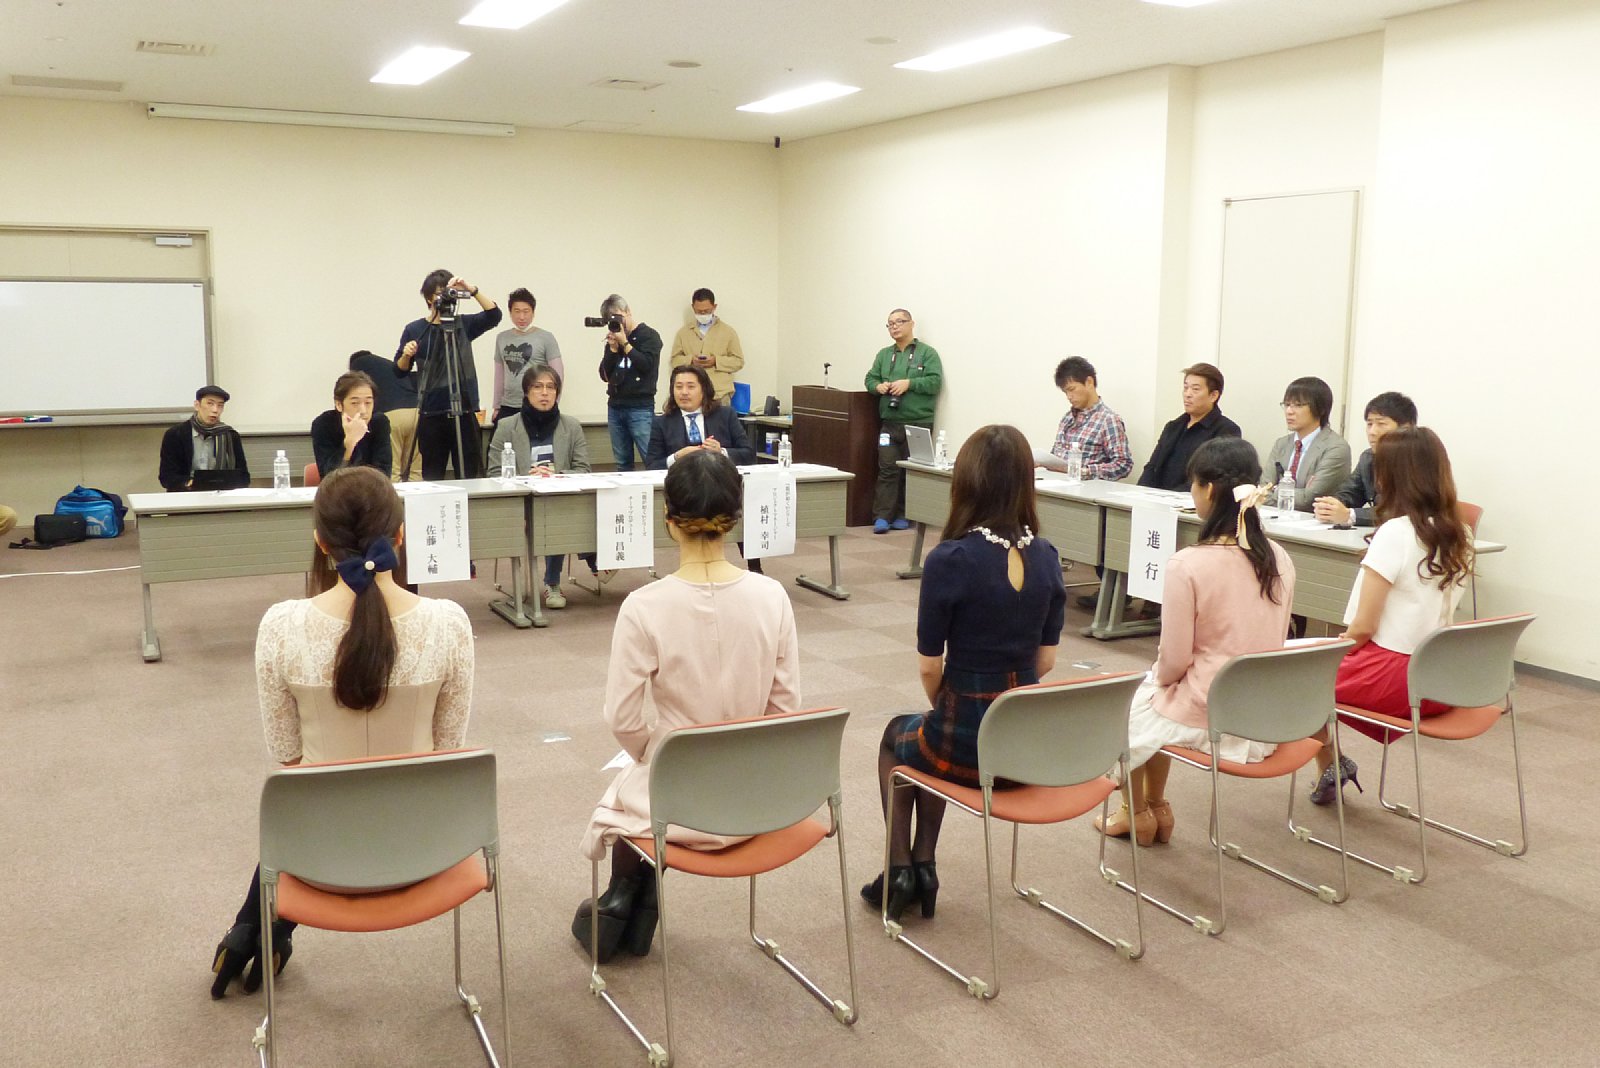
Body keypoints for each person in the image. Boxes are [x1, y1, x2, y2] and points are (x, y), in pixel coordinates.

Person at [208, 466, 475, 998]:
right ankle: (254, 930)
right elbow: (447, 752)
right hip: (428, 851)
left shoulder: (280, 628)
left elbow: (288, 757)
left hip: (317, 860)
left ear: (320, 541)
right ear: (400, 536)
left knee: (304, 803)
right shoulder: (449, 624)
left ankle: (251, 928)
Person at [573, 450, 800, 962]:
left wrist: (652, 752)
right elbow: (785, 710)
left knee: (632, 784)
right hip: (756, 802)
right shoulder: (772, 596)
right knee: (646, 779)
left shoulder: (644, 606)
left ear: (667, 518)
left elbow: (622, 718)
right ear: (735, 516)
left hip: (678, 804)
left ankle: (622, 897)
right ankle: (633, 897)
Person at [865, 425, 1066, 922]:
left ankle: (901, 869)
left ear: (966, 483)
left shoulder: (950, 559)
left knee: (897, 739)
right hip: (1023, 748)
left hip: (967, 744)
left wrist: (948, 708)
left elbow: (929, 667)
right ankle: (924, 864)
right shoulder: (1047, 556)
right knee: (928, 740)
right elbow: (1045, 663)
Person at [1098, 437, 1296, 844]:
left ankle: (1135, 813)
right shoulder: (1279, 557)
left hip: (1213, 713)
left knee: (1131, 704)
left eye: (1193, 483)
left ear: (1207, 490)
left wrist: (1161, 680)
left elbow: (1173, 662)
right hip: (1263, 712)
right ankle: (1156, 807)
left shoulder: (1188, 564)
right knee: (1153, 698)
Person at [1308, 426, 1473, 806]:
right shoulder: (1461, 533)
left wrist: (1329, 651)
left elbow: (1363, 627)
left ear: (1392, 476)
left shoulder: (1396, 534)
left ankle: (1329, 761)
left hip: (1396, 677)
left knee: (1294, 674)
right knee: (1306, 665)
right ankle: (1330, 763)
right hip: (1440, 679)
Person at [487, 365, 602, 607]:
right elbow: (494, 474)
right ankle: (595, 561)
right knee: (552, 514)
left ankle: (552, 583)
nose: (545, 393)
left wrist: (556, 475)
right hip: (521, 501)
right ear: (526, 392)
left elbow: (583, 470)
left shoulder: (571, 426)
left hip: (557, 500)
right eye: (538, 387)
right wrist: (525, 477)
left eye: (551, 387)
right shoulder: (507, 426)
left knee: (556, 512)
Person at [646, 364, 763, 574]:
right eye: (678, 387)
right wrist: (676, 457)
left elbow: (748, 454)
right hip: (684, 489)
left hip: (721, 484)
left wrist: (722, 452)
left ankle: (755, 568)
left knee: (743, 506)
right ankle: (689, 567)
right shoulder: (662, 422)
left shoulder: (725, 415)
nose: (684, 392)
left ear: (704, 389)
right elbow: (652, 464)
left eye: (690, 386)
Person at [394, 270, 502, 480]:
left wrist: (472, 290)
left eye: (448, 292)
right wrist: (407, 355)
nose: (444, 297)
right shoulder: (415, 329)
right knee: (432, 476)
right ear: (428, 298)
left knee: (469, 475)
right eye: (439, 293)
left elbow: (494, 315)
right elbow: (399, 370)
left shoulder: (463, 324)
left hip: (465, 410)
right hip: (432, 413)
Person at [865, 308, 943, 534]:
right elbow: (870, 378)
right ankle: (882, 516)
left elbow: (935, 382)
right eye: (890, 323)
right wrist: (877, 386)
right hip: (889, 423)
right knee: (887, 468)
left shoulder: (927, 353)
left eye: (899, 321)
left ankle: (904, 514)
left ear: (911, 324)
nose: (895, 326)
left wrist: (909, 384)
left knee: (912, 470)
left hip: (918, 422)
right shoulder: (884, 354)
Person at [1313, 391, 1417, 528]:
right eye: (1369, 424)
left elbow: (1401, 511)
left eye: (1381, 424)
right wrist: (1330, 507)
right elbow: (1350, 493)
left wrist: (1350, 515)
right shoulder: (1368, 458)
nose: (1372, 432)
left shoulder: (1418, 460)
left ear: (1406, 428)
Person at [1137, 363, 1241, 492]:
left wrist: (1170, 497)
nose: (1187, 394)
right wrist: (1140, 494)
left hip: (1191, 501)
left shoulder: (1227, 430)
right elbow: (1152, 467)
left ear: (1213, 395)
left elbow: (1211, 477)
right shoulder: (1173, 427)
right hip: (1157, 499)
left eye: (1195, 389)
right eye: (1185, 388)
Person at [596, 293, 663, 472]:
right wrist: (612, 349)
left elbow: (646, 365)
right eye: (611, 320)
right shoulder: (614, 339)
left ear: (628, 311)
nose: (617, 323)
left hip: (640, 407)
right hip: (615, 407)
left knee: (651, 459)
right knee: (622, 463)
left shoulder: (649, 336)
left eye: (618, 317)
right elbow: (605, 375)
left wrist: (625, 343)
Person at [1265, 376, 1352, 511]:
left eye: (1298, 405)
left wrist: (1275, 489)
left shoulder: (1336, 447)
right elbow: (1263, 490)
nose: (1289, 411)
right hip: (1277, 518)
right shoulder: (1281, 444)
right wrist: (1272, 492)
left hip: (1316, 521)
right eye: (1287, 404)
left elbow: (1310, 498)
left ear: (1321, 409)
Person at [1041, 356, 1132, 481]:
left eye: (1072, 389)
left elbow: (1123, 464)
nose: (1069, 396)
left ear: (1089, 382)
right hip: (1057, 484)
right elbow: (1056, 455)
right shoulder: (1067, 419)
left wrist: (1086, 471)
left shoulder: (1108, 420)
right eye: (1065, 392)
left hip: (1086, 487)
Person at [489, 287, 564, 425]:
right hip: (508, 405)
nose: (521, 317)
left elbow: (557, 375)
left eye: (526, 311)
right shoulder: (502, 337)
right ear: (510, 313)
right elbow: (499, 374)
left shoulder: (546, 337)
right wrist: (497, 406)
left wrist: (553, 403)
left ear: (533, 313)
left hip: (536, 404)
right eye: (517, 311)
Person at [349, 349, 422, 482]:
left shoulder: (358, 365)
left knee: (393, 471)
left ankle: (394, 495)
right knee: (415, 470)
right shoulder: (389, 364)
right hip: (417, 412)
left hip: (392, 415)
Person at [159, 385, 249, 491]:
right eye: (210, 403)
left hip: (221, 495)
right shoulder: (176, 434)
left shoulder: (230, 435)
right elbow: (166, 477)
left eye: (220, 405)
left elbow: (244, 477)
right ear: (197, 405)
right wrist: (191, 483)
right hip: (187, 494)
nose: (215, 410)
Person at [309, 371, 393, 478]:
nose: (363, 411)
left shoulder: (379, 422)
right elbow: (328, 476)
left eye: (368, 403)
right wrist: (349, 443)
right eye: (355, 403)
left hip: (371, 487)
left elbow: (383, 473)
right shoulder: (323, 424)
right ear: (339, 405)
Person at [669, 287, 745, 403]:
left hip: (720, 393)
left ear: (714, 307)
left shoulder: (728, 332)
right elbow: (675, 360)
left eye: (707, 311)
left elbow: (738, 362)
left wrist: (716, 361)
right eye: (699, 311)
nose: (703, 314)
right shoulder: (683, 333)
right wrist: (691, 360)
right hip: (692, 395)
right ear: (693, 307)